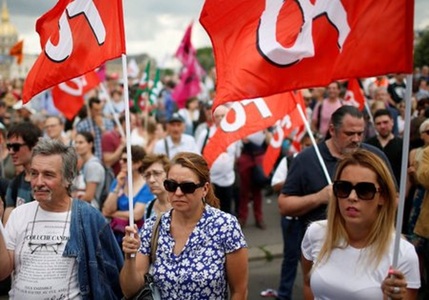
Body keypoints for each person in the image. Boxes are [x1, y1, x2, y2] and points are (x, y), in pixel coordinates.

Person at [278, 105, 394, 292]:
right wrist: (318, 197)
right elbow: (284, 205)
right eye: (349, 133)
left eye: (360, 133)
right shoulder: (306, 159)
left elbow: (393, 199)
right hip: (324, 248)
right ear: (332, 129)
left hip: (371, 246)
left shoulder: (375, 157)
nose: (356, 139)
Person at [0, 138, 123, 299]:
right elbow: (3, 272)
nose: (38, 182)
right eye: (34, 173)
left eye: (48, 175)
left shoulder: (89, 218)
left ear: (68, 178)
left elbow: (113, 277)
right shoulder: (19, 214)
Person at [120, 152, 248, 299]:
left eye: (187, 187)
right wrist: (130, 257)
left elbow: (239, 291)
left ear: (205, 189)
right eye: (171, 185)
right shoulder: (152, 226)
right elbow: (129, 291)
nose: (178, 193)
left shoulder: (225, 226)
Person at [301, 149, 420, 299]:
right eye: (343, 188)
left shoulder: (402, 254)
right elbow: (307, 284)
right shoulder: (315, 233)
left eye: (364, 190)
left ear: (382, 197)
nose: (352, 197)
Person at [102, 146, 154, 247]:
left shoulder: (146, 185)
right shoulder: (119, 179)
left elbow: (136, 215)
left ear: (138, 163)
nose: (121, 162)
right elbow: (106, 209)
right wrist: (118, 186)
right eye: (120, 159)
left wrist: (113, 213)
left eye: (125, 160)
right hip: (116, 234)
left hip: (136, 236)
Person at [196, 104, 238, 214]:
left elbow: (236, 154)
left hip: (228, 180)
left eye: (223, 116)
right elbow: (198, 154)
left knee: (227, 209)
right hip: (211, 181)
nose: (220, 119)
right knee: (211, 210)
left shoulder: (234, 133)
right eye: (217, 116)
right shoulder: (205, 134)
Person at [3, 122, 43, 224]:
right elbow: (8, 228)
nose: (11, 151)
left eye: (16, 147)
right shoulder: (14, 184)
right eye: (9, 147)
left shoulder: (49, 182)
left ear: (34, 146)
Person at [365, 109, 403, 185]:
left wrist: (402, 194)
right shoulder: (368, 145)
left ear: (392, 122)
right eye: (378, 123)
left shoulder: (402, 144)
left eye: (385, 122)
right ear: (374, 126)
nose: (382, 126)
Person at [74, 131, 105, 209]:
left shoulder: (93, 166)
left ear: (90, 144)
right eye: (76, 142)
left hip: (89, 209)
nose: (77, 145)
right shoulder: (85, 164)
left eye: (81, 142)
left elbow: (89, 196)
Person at [140, 153, 172, 219]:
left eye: (157, 173)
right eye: (147, 175)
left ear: (168, 174)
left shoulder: (179, 205)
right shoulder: (149, 207)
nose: (151, 180)